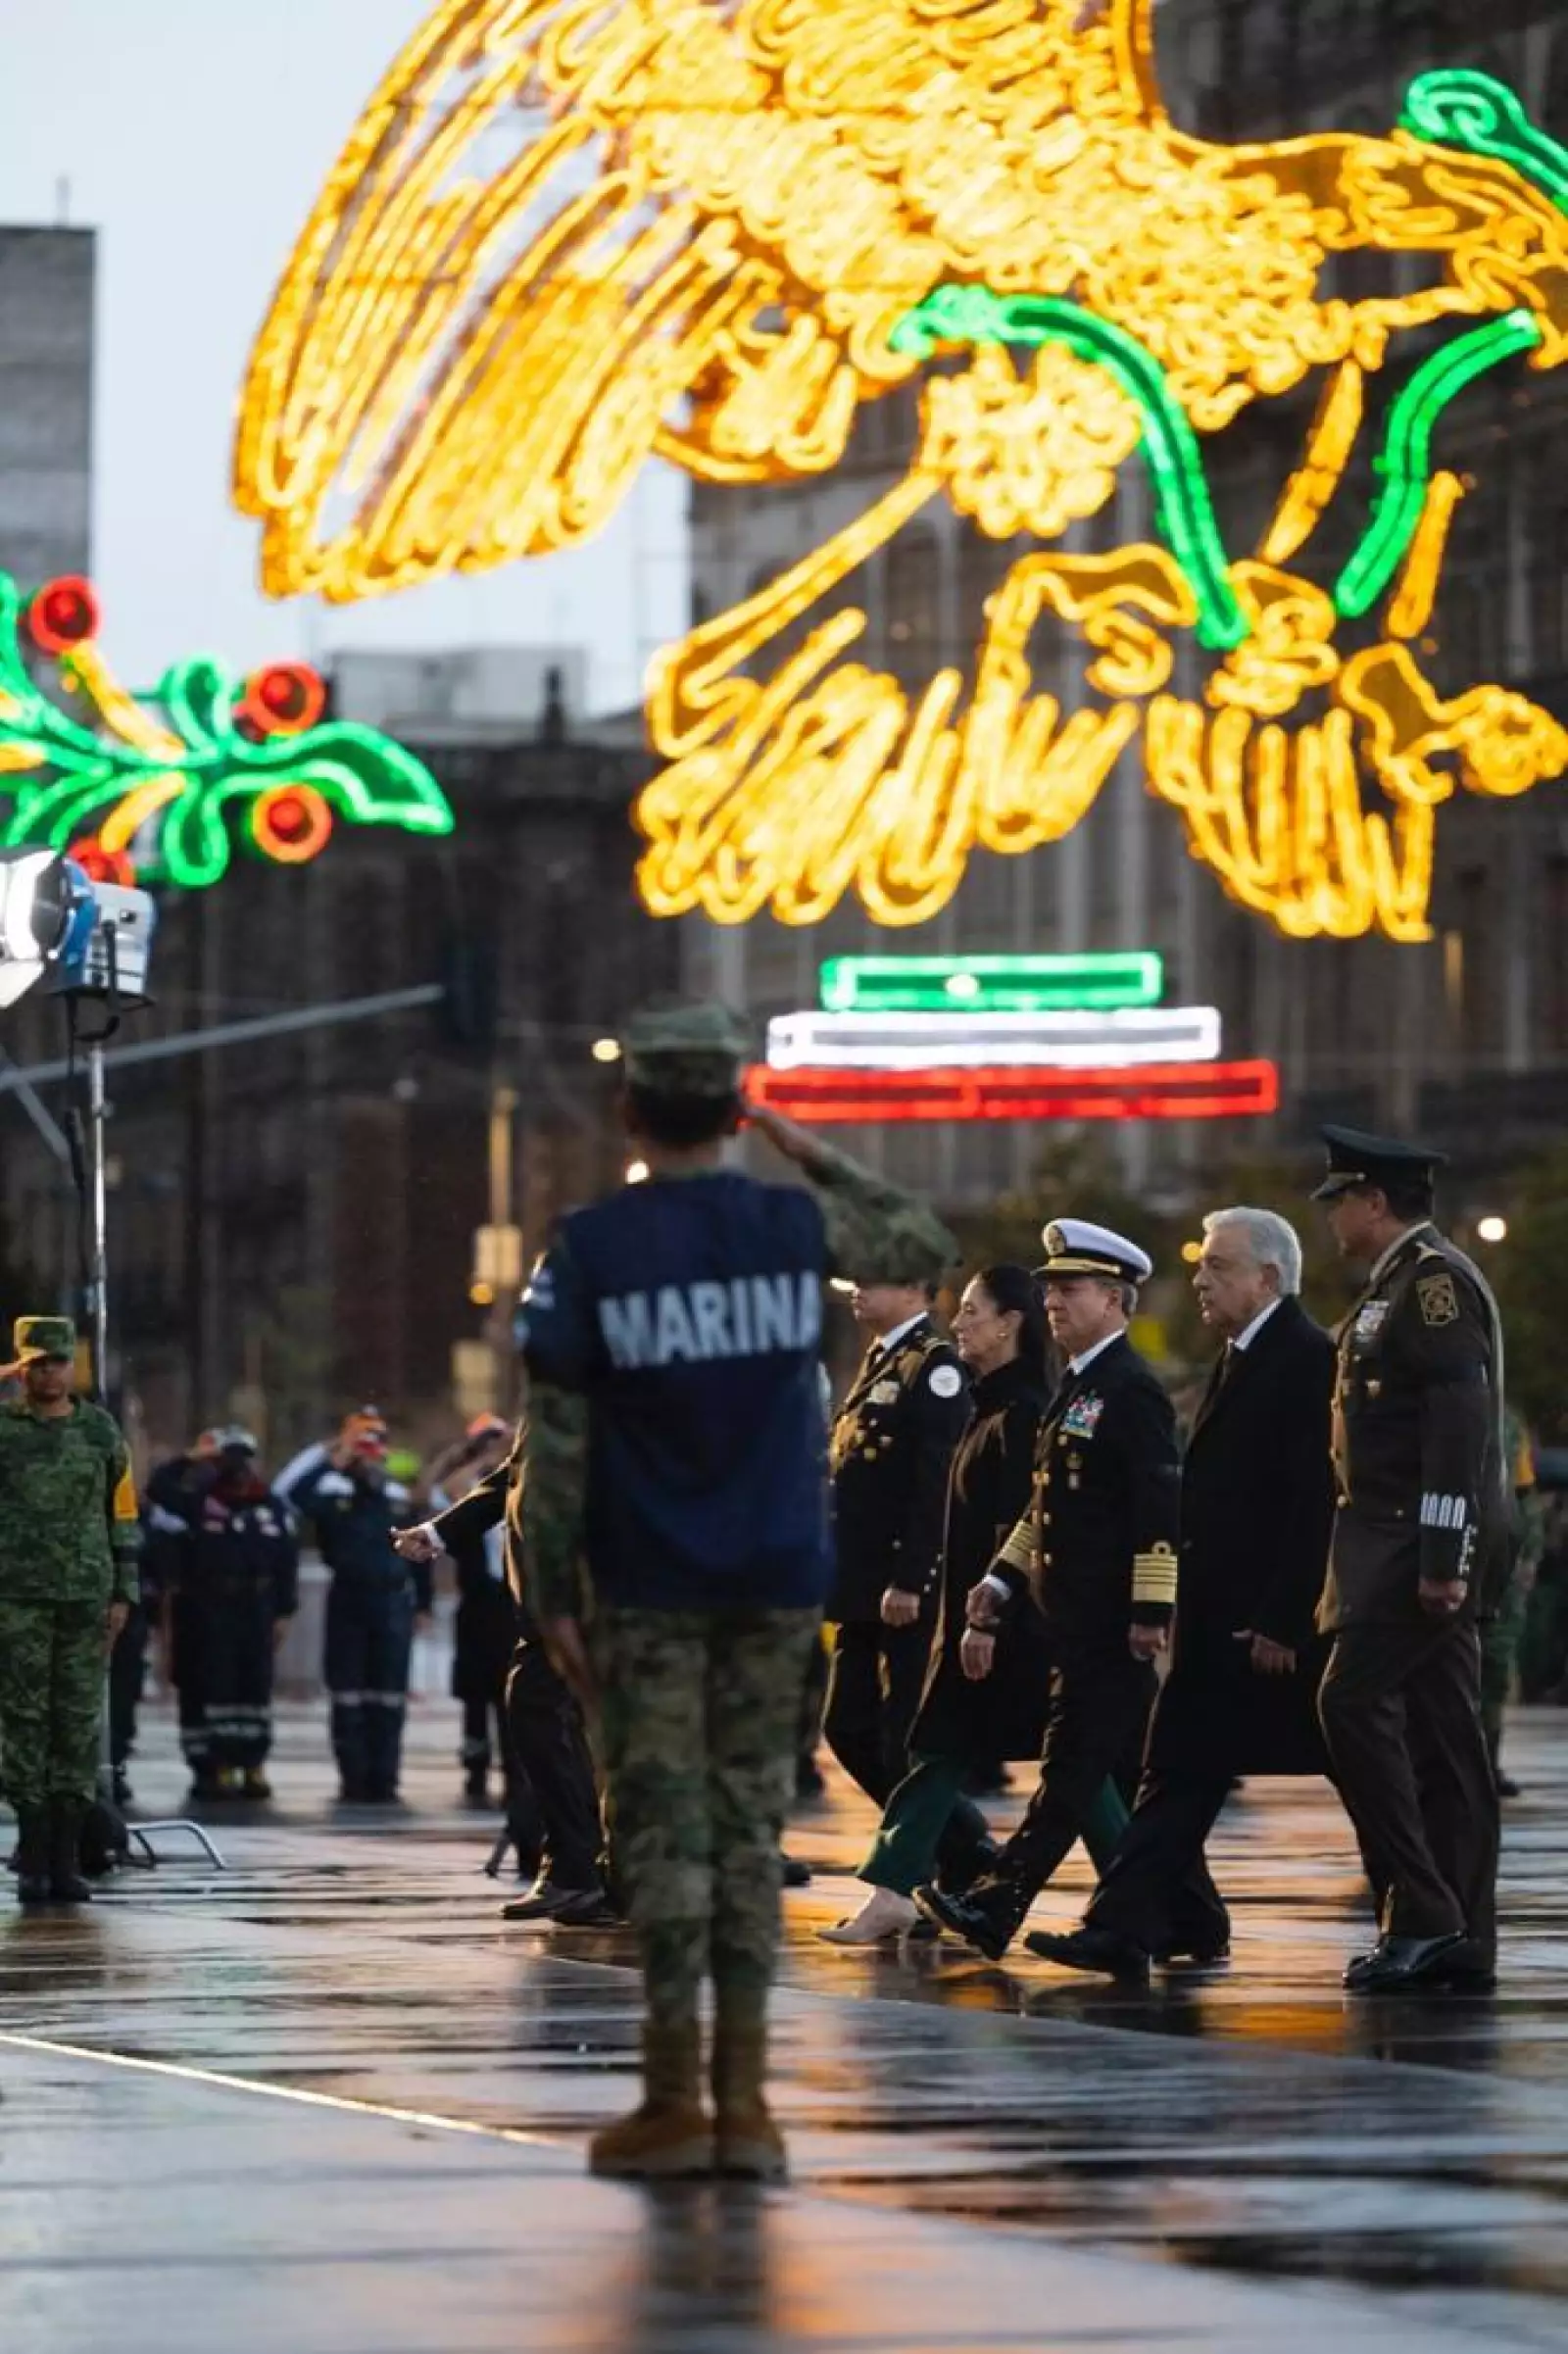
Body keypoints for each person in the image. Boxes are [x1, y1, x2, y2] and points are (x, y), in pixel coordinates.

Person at [517, 999, 956, 2181]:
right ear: (732, 1110)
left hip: (649, 1583)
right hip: (774, 1581)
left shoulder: (592, 1246)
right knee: (749, 1837)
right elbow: (915, 1235)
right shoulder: (785, 1222)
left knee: (664, 1838)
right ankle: (749, 2108)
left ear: (629, 1109)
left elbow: (556, 1438)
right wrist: (802, 1146)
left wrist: (550, 1592)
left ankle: (673, 2102)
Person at [1030, 1206, 1337, 1980]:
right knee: (1175, 1771)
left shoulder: (1305, 1357)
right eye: (1202, 1266)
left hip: (1263, 1625)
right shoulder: (1241, 1353)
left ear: (1268, 1278)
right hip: (1220, 1618)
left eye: (1219, 1267)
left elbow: (1313, 1502)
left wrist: (1285, 1618)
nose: (1200, 1280)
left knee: (1363, 1774)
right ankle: (1129, 1926)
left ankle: (1429, 1915)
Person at [823, 1265, 1115, 1943]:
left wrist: (986, 1614)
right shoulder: (990, 1404)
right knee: (1031, 1758)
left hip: (1004, 1620)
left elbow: (1017, 1526)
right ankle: (1147, 1892)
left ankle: (911, 1884)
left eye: (973, 1312)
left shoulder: (1020, 1410)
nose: (959, 1324)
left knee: (1042, 1759)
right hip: (973, 1613)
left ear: (1009, 1324)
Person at [913, 1221, 1180, 1963]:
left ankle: (996, 1906)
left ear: (1115, 1299)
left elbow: (1158, 1507)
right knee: (1122, 1779)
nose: (1053, 1302)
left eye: (1071, 1289)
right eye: (1051, 1290)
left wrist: (1150, 1611)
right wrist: (999, 1580)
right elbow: (1044, 1508)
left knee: (1069, 1775)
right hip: (1072, 1618)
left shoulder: (1130, 1390)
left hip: (1111, 1624)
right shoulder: (1078, 1388)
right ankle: (1187, 1918)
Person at [1312, 1125, 1507, 1994]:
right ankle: (1460, 1934)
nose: (1331, 1216)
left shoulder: (1432, 1284)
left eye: (1339, 1200)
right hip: (1396, 1547)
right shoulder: (1396, 1284)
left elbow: (1457, 1427)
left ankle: (1424, 1912)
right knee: (1445, 1740)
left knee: (1348, 1704)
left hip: (1407, 1552)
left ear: (1375, 1201)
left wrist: (1441, 1556)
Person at [398, 1433, 614, 1926]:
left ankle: (584, 1872)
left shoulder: (604, 1403)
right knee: (555, 1726)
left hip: (586, 1596)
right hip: (550, 1603)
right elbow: (513, 1478)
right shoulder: (557, 1413)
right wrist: (439, 1532)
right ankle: (582, 1871)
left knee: (552, 1720)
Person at [0, 1316, 140, 1904]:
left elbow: (122, 1515)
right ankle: (33, 1855)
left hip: (86, 1598)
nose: (49, 1375)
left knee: (77, 1724)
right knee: (23, 1723)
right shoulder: (5, 1431)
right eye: (37, 1365)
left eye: (57, 1363)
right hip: (17, 1599)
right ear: (20, 1369)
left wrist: (123, 1592)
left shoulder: (100, 1431)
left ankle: (65, 1860)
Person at [823, 1262, 969, 1819]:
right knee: (847, 1728)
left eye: (871, 1281)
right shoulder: (883, 1359)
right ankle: (960, 1847)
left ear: (914, 1289)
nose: (858, 1291)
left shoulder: (933, 1367)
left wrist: (911, 1577)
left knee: (900, 1734)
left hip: (900, 1587)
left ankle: (927, 1853)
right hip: (861, 1585)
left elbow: (935, 1484)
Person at [277, 1407, 430, 1804]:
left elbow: (422, 1546)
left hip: (392, 1600)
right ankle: (354, 1777)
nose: (369, 1454)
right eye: (363, 1445)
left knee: (388, 1695)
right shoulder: (331, 1489)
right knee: (348, 1693)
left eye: (375, 1444)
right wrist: (332, 1458)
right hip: (349, 1598)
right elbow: (288, 1499)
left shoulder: (397, 1495)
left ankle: (385, 1778)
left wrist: (424, 1603)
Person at [157, 1427, 298, 1798]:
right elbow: (158, 1489)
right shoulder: (198, 1500)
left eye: (243, 1457)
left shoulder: (270, 1504)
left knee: (254, 1688)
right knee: (212, 1684)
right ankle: (214, 1766)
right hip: (209, 1606)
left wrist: (285, 1610)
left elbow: (287, 1560)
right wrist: (190, 1458)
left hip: (257, 1606)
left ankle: (252, 1765)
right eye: (229, 1457)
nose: (238, 1466)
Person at [418, 1415, 517, 1805]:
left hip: (512, 1602)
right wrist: (480, 1460)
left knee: (513, 1692)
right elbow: (437, 1494)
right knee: (475, 1690)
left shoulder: (520, 1486)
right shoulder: (471, 1491)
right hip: (477, 1603)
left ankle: (516, 1773)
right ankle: (475, 1769)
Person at [1481, 1404, 1544, 1796]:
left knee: (1496, 1667)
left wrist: (1530, 1553)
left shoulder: (1508, 1423)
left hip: (1502, 1566)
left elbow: (1524, 1495)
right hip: (1457, 1558)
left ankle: (1488, 1762)